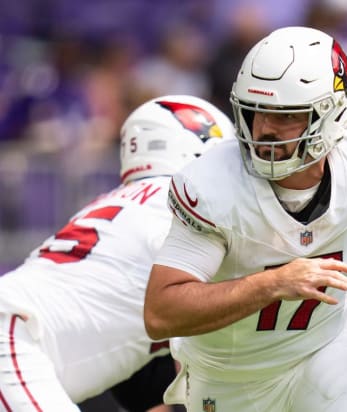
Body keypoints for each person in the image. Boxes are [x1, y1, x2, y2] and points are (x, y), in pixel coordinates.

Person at [143, 26, 347, 412]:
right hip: (231, 375)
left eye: (285, 116)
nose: (264, 129)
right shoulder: (214, 186)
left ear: (331, 115)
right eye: (255, 111)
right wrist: (273, 283)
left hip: (325, 351)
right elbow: (160, 312)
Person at [0, 94, 235, 411]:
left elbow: (141, 374)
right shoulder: (180, 207)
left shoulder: (116, 205)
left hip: (18, 330)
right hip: (16, 336)